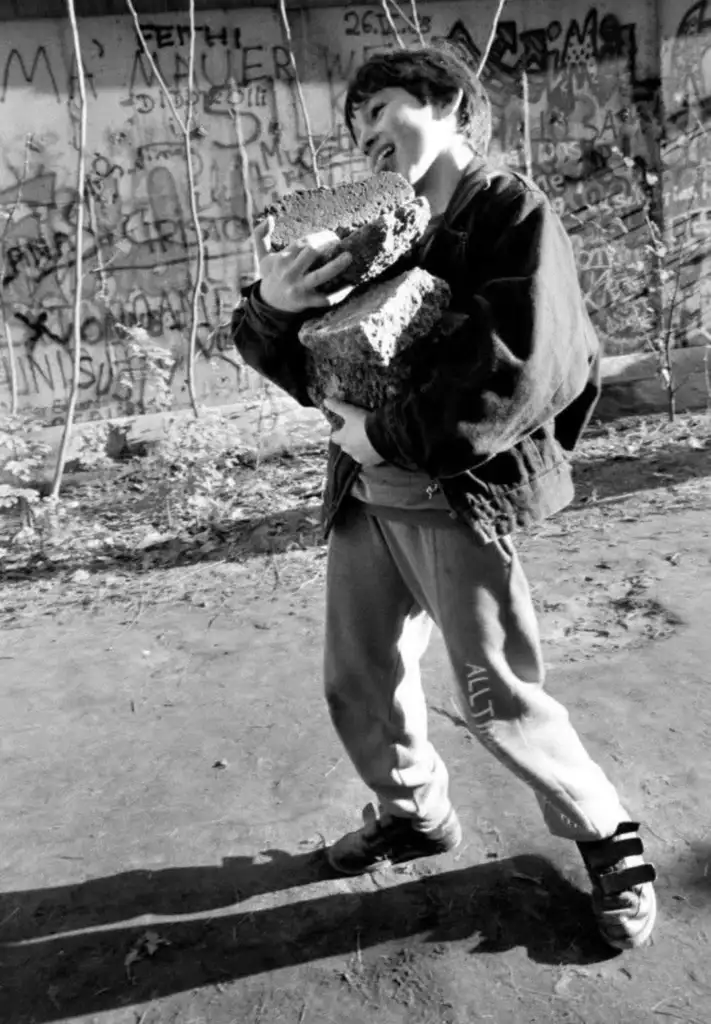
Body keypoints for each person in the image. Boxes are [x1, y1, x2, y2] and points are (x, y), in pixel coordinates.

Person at [231, 44, 657, 952]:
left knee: (496, 696)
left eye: (380, 108)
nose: (367, 134)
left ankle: (606, 834)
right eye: (356, 124)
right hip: (364, 499)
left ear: (447, 103)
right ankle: (413, 813)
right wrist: (268, 306)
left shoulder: (507, 212)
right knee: (358, 684)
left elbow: (528, 365)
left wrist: (385, 434)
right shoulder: (376, 225)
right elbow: (306, 357)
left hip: (452, 498)